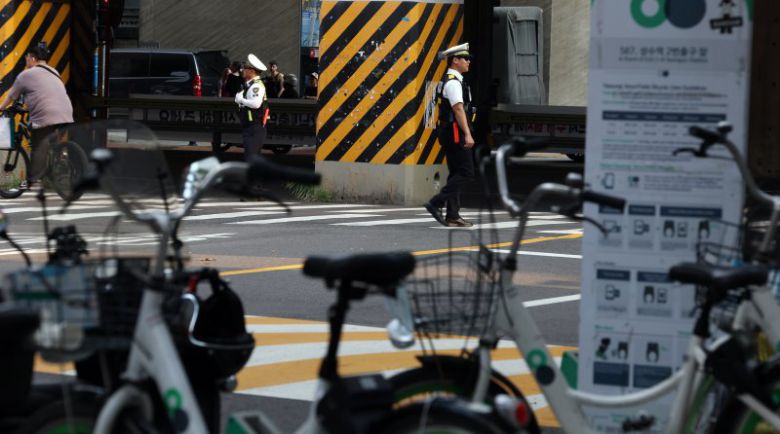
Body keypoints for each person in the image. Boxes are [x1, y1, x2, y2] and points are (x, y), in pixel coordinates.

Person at [0, 45, 74, 184]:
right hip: (66, 113)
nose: (26, 61)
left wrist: (1, 108)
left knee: (38, 147)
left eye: (27, 58)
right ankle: (59, 164)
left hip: (47, 115)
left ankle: (32, 180)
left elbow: (11, 96)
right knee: (52, 144)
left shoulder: (26, 75)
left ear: (33, 58)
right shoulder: (54, 71)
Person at [424, 43, 476, 228]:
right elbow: (458, 109)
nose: (468, 62)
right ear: (455, 60)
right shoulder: (453, 82)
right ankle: (436, 202)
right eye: (465, 58)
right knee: (466, 172)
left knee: (456, 172)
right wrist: (467, 134)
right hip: (455, 133)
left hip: (450, 131)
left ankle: (452, 215)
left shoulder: (455, 80)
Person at [234, 53, 270, 161]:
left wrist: (241, 100)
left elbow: (255, 104)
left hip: (255, 127)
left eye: (245, 68)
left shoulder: (256, 86)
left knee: (251, 159)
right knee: (253, 160)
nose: (243, 70)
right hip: (250, 127)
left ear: (251, 71)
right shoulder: (249, 85)